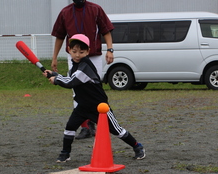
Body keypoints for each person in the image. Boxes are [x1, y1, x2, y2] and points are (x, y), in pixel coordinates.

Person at [43, 34, 145, 162]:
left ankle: (137, 146)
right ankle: (65, 153)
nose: (77, 55)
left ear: (88, 52)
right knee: (70, 128)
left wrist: (56, 79)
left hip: (100, 107)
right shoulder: (75, 65)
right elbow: (70, 78)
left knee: (116, 130)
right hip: (83, 106)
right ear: (69, 50)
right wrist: (54, 74)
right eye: (74, 51)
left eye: (81, 52)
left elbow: (71, 82)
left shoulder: (86, 66)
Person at [51, 0, 115, 140]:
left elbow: (106, 30)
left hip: (94, 56)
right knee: (77, 90)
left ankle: (98, 122)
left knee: (94, 90)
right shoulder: (65, 12)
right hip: (74, 57)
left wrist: (110, 50)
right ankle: (85, 127)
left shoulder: (96, 9)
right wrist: (54, 57)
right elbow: (60, 36)